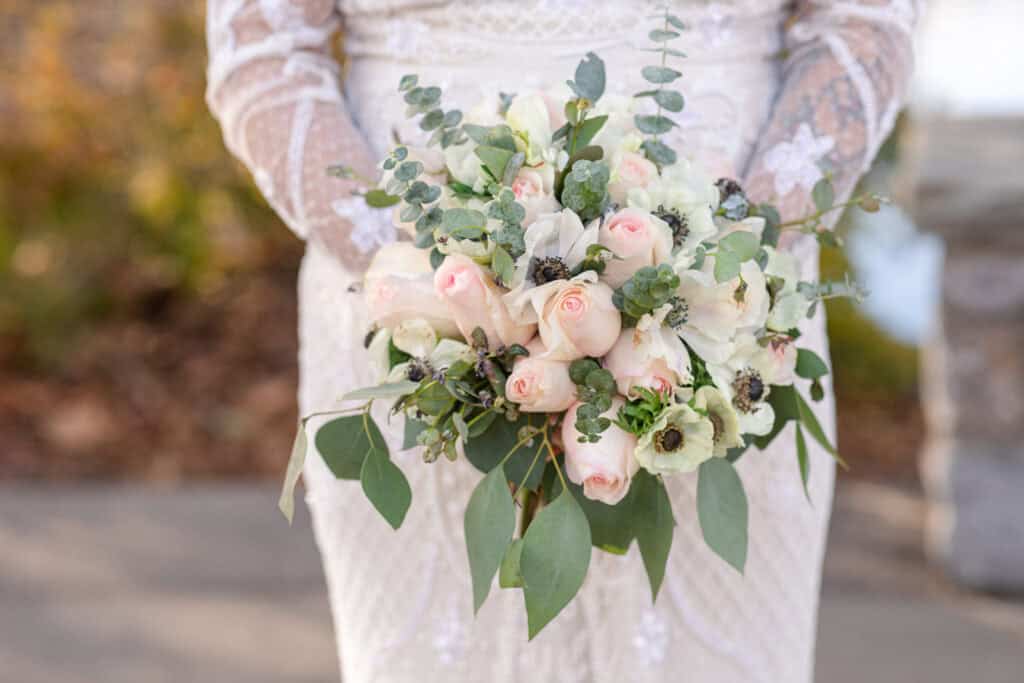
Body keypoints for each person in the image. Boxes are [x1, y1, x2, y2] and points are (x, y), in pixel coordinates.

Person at [206, 2, 919, 681]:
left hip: (724, 329)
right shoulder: (420, 294)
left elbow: (863, 20)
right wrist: (440, 280)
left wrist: (733, 248)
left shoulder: (729, 283)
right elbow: (263, 50)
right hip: (417, 341)